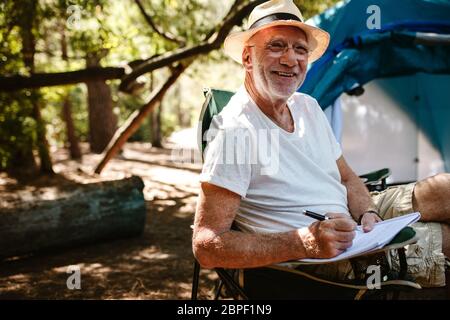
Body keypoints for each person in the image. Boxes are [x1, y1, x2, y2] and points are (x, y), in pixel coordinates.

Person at [192, 0, 450, 288]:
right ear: (248, 58)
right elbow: (207, 246)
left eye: (300, 49)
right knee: (447, 238)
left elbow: (347, 177)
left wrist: (368, 211)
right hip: (330, 252)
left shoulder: (307, 107)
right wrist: (302, 243)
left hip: (359, 220)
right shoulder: (235, 131)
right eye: (276, 46)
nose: (291, 60)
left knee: (446, 188)